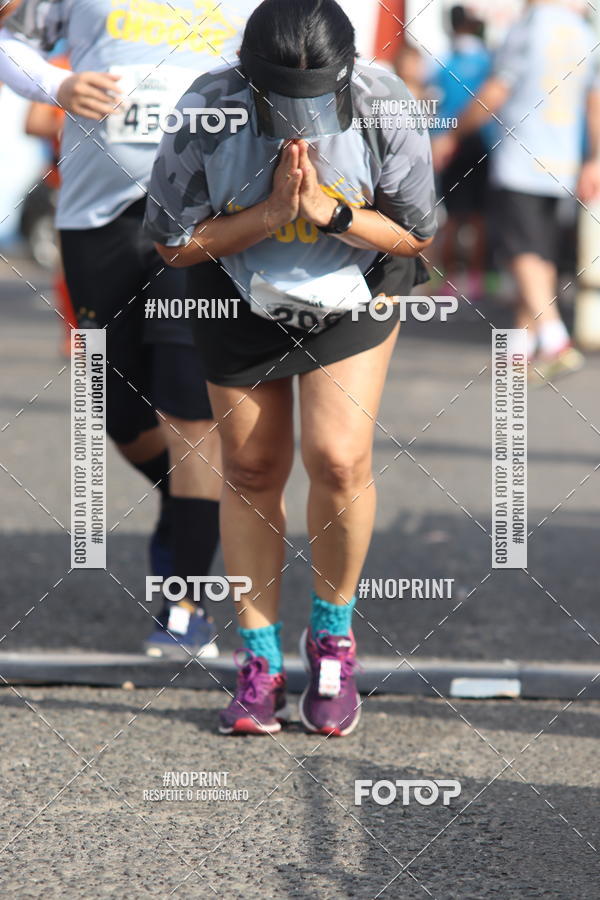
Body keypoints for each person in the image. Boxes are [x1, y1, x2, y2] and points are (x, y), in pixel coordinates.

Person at [145, 0, 437, 736]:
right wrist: (268, 218)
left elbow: (416, 238)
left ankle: (332, 643)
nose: (300, 118)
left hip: (355, 285)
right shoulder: (209, 106)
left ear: (346, 73)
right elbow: (172, 244)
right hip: (235, 287)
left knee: (338, 459)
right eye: (282, 100)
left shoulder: (384, 104)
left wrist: (331, 214)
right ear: (247, 75)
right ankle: (261, 660)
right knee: (250, 467)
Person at [0, 0, 261, 658]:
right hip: (96, 217)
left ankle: (186, 601)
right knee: (117, 411)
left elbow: (297, 58)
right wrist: (56, 84)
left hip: (202, 213)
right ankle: (194, 502)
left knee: (188, 407)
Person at [432, 0, 600, 379]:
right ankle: (522, 346)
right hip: (563, 163)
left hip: (521, 159)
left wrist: (453, 135)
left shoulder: (528, 27)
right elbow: (595, 102)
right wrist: (594, 158)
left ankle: (555, 338)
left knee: (519, 251)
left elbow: (496, 91)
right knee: (537, 253)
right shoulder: (583, 31)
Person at [429, 5, 491, 301]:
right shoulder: (487, 60)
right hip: (479, 140)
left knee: (453, 215)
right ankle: (475, 279)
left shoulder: (444, 60)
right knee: (478, 216)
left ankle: (451, 280)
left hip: (447, 142)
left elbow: (432, 97)